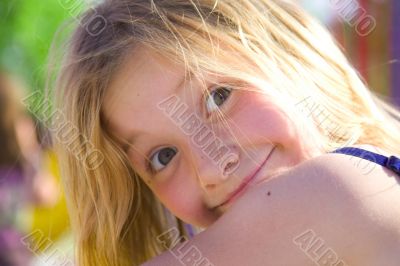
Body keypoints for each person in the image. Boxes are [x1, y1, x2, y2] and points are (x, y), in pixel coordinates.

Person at [52, 0, 400, 265]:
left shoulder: (342, 186)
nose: (212, 167)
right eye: (163, 156)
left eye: (219, 97)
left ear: (288, 53)